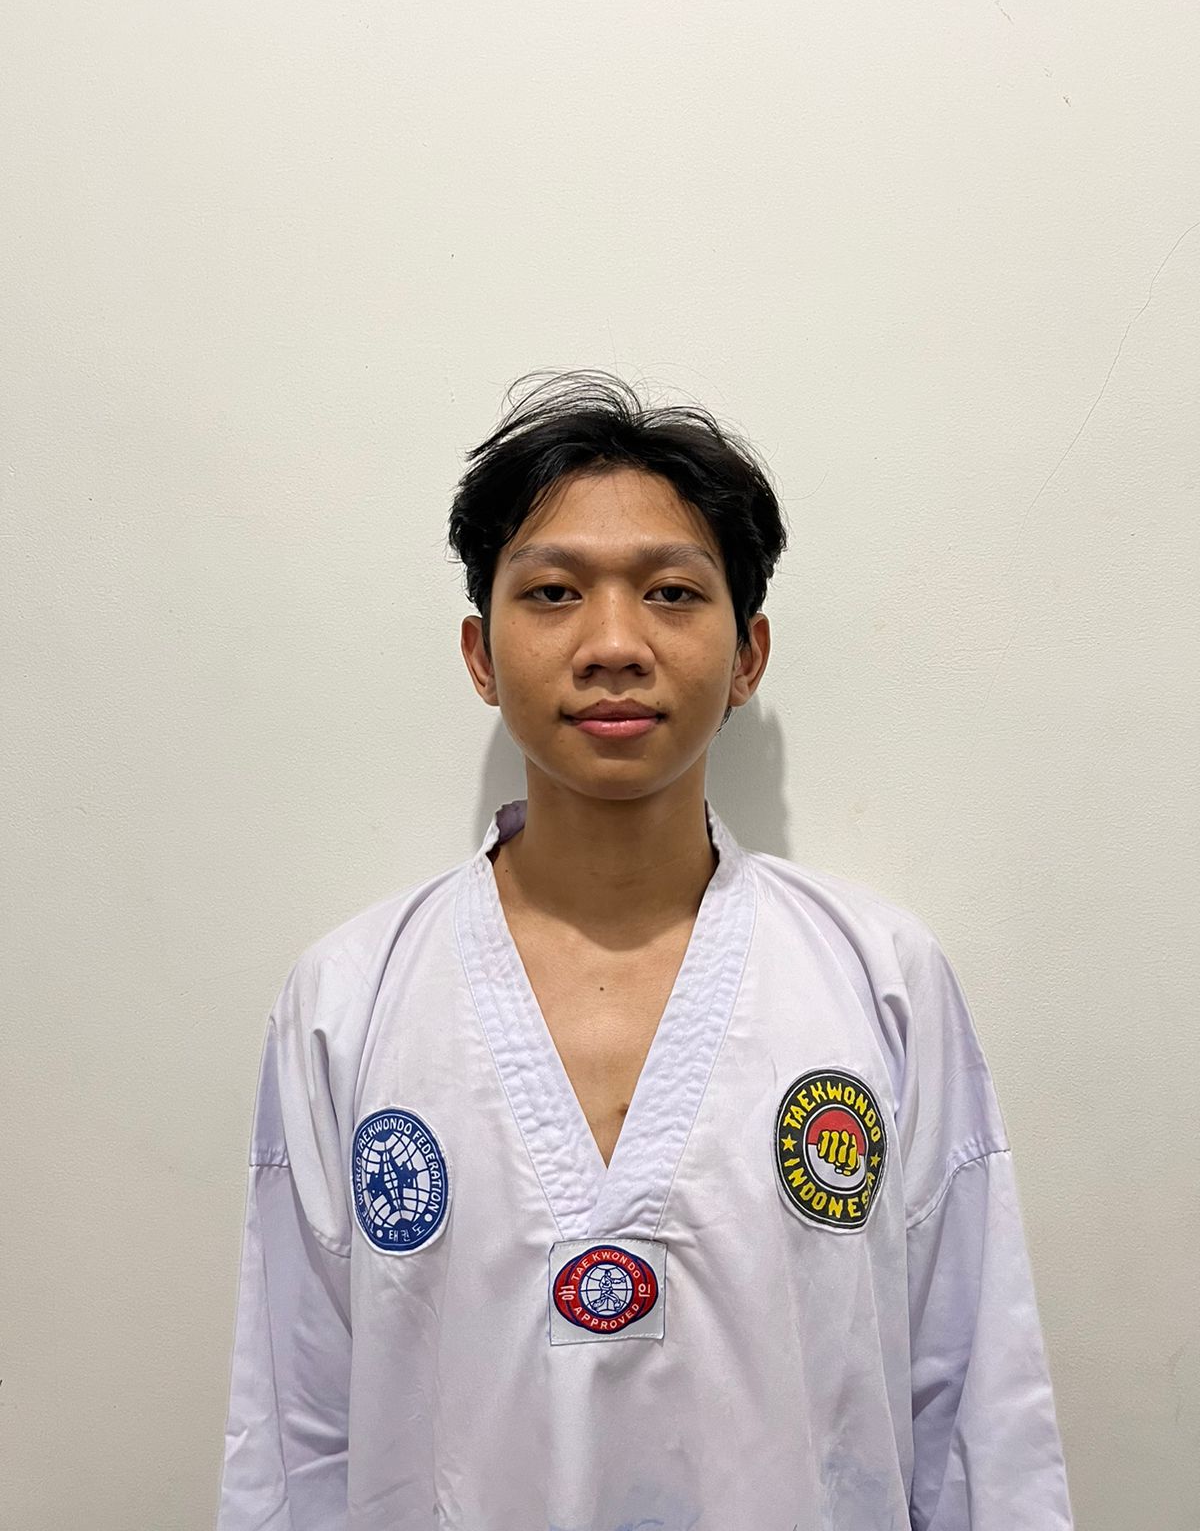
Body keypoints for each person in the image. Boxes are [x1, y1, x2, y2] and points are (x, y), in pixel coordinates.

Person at [215, 370, 1074, 1531]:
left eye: (672, 593)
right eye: (554, 592)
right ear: (480, 653)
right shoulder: (349, 998)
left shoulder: (879, 980)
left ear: (748, 653)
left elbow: (974, 1410)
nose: (614, 644)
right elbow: (297, 1428)